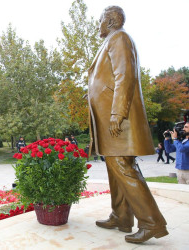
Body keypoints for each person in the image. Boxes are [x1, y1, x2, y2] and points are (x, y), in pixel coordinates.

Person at [88, 6, 167, 243]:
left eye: (100, 20)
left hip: (117, 119)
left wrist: (117, 113)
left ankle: (152, 222)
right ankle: (121, 216)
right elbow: (109, 78)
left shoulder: (119, 37)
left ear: (110, 21)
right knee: (115, 166)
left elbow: (125, 74)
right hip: (110, 117)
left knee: (122, 165)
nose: (98, 25)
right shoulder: (112, 40)